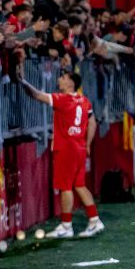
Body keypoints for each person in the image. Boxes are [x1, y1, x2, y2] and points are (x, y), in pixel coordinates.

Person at [21, 72, 105, 238]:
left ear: (70, 83)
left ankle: (66, 225)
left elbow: (36, 95)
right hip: (79, 148)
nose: (59, 79)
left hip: (66, 149)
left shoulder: (62, 99)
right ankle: (95, 220)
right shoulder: (84, 100)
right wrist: (87, 143)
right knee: (79, 185)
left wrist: (22, 80)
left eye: (63, 77)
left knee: (66, 187)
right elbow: (93, 122)